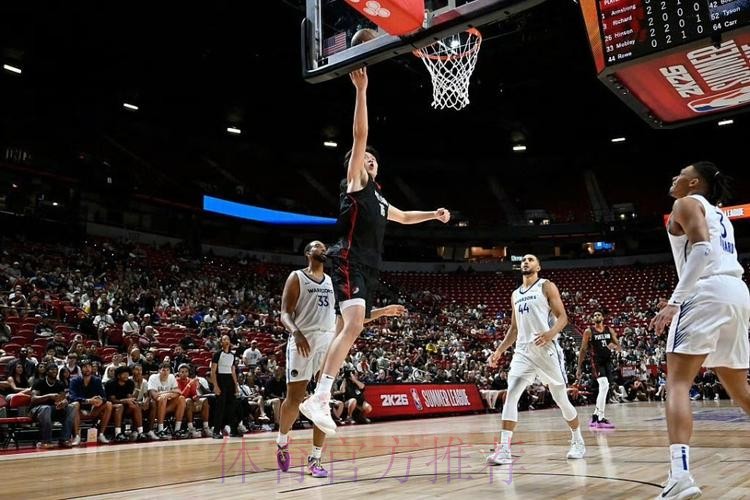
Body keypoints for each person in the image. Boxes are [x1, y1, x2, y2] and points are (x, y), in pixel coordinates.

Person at [300, 67, 450, 434]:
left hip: (367, 267)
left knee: (346, 327)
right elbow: (360, 134)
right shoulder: (355, 182)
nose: (369, 159)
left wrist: (432, 214)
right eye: (364, 157)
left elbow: (404, 217)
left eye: (373, 159)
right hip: (348, 258)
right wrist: (362, 90)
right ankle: (320, 397)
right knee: (352, 325)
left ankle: (318, 393)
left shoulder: (380, 199)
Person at [651, 161, 750, 499]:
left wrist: (675, 301)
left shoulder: (686, 202)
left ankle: (680, 476)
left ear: (694, 183)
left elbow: (703, 249)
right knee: (740, 389)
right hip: (736, 292)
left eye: (681, 174)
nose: (674, 177)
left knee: (678, 383)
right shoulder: (720, 215)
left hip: (705, 292)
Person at [276, 240, 405, 475]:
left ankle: (315, 458)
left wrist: (384, 312)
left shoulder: (334, 282)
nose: (323, 249)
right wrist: (296, 333)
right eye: (318, 246)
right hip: (302, 339)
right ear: (308, 253)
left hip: (328, 341)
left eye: (325, 247)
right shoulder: (297, 277)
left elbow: (352, 317)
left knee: (321, 401)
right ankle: (282, 441)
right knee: (294, 399)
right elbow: (284, 313)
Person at [487, 254, 586, 465]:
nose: (526, 262)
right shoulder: (515, 294)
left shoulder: (546, 286)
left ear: (538, 266)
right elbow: (514, 328)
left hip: (546, 350)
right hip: (523, 352)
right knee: (511, 395)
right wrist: (499, 351)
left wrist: (550, 334)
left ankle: (578, 440)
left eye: (530, 259)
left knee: (561, 399)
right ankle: (504, 450)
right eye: (523, 260)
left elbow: (563, 317)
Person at [576, 311, 621, 428]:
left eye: (599, 315)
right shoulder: (589, 331)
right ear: (592, 319)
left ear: (602, 317)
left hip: (607, 361)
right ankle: (600, 418)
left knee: (605, 387)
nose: (597, 316)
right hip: (596, 362)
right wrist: (579, 367)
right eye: (594, 315)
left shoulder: (609, 330)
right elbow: (583, 349)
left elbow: (617, 345)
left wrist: (613, 346)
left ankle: (595, 416)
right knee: (604, 386)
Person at [210, 334, 241, 438]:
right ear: (221, 342)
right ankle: (216, 432)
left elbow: (233, 371)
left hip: (230, 380)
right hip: (220, 379)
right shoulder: (217, 354)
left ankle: (233, 430)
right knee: (220, 407)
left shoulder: (232, 355)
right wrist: (215, 386)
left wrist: (236, 385)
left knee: (232, 406)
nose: (226, 341)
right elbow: (213, 371)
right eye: (224, 339)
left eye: (228, 339)